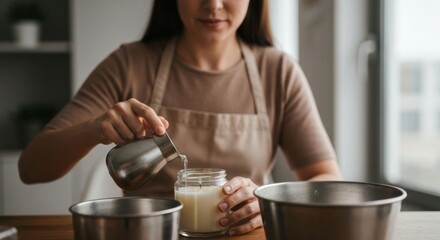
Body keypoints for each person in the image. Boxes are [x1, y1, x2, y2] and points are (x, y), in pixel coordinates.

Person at [18, 0, 341, 236]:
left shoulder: (279, 72)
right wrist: (92, 129)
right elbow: (31, 168)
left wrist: (268, 201)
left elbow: (326, 178)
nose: (213, 5)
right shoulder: (129, 64)